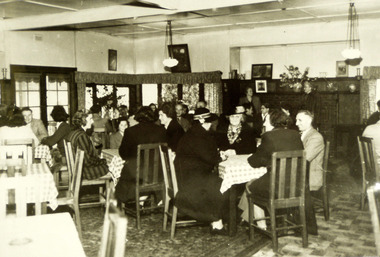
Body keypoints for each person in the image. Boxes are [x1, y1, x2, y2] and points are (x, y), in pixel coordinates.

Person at [242, 109, 318, 235]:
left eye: (266, 120)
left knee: (250, 186)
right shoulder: (295, 135)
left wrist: (257, 156)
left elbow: (254, 162)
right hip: (296, 186)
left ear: (272, 122)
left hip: (276, 187)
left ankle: (262, 227)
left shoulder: (268, 136)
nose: (264, 123)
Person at [174, 108, 229, 235]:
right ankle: (217, 222)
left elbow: (203, 155)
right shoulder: (199, 136)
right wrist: (222, 157)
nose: (211, 125)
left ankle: (216, 220)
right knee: (221, 182)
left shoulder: (193, 133)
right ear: (203, 122)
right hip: (190, 181)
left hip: (186, 175)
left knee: (216, 180)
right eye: (209, 122)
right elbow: (210, 159)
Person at [115, 106, 167, 203]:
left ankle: (138, 198)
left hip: (136, 176)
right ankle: (146, 197)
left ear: (138, 116)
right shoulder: (161, 131)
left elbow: (123, 154)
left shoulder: (130, 131)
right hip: (157, 175)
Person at [66, 110, 109, 180]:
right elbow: (87, 161)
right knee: (112, 168)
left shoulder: (74, 132)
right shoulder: (81, 136)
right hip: (85, 172)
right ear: (83, 120)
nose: (92, 122)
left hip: (80, 169)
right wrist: (103, 161)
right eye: (90, 119)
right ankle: (110, 190)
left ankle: (106, 190)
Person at [296, 110, 325, 191]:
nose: (296, 123)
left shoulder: (316, 137)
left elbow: (304, 158)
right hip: (302, 175)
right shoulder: (302, 134)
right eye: (296, 120)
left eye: (299, 120)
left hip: (310, 179)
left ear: (309, 121)